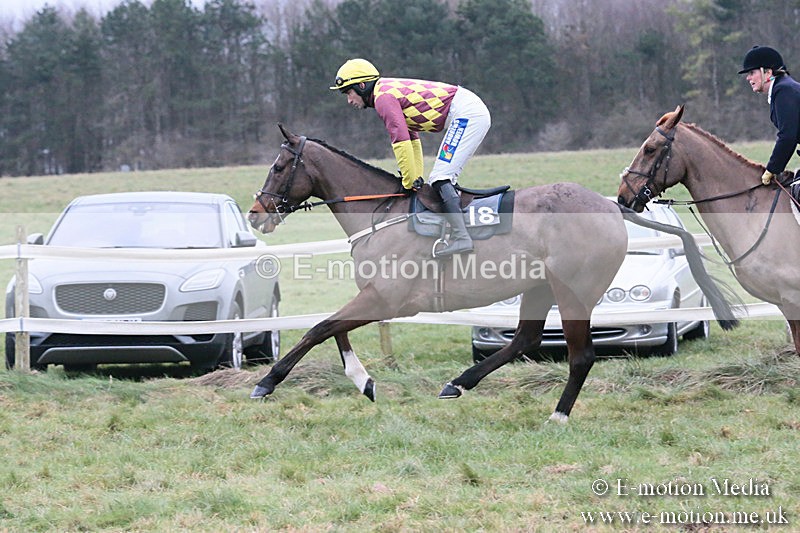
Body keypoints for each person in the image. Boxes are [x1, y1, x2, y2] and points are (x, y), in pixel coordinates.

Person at [330, 58, 491, 256]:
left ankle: (462, 237)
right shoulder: (385, 92)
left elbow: (400, 139)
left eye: (349, 92)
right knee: (440, 178)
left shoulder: (383, 98)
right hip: (467, 110)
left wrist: (408, 180)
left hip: (468, 114)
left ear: (362, 86)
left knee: (441, 178)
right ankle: (456, 231)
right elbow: (412, 138)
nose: (349, 100)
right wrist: (415, 177)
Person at [739, 46, 800, 186]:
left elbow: (787, 136)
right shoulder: (783, 88)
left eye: (751, 72)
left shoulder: (784, 90)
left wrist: (772, 169)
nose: (748, 78)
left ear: (767, 73)